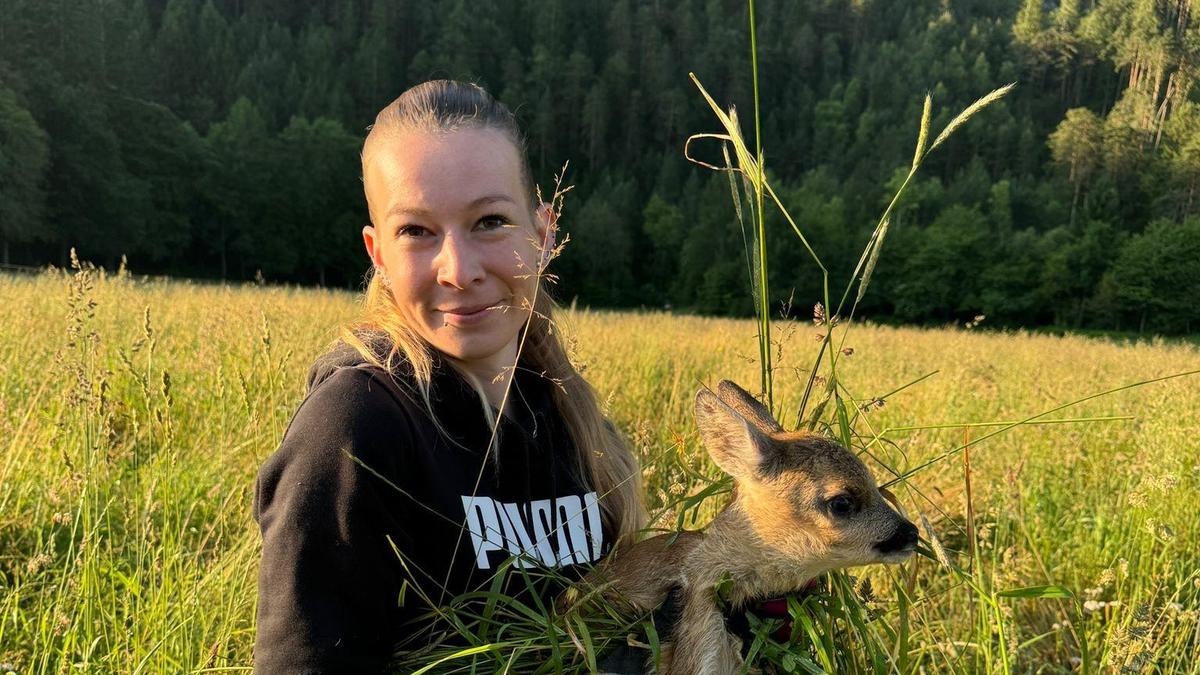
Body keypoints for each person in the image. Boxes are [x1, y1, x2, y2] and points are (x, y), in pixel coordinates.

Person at [252, 80, 647, 673]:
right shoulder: (356, 431)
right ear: (378, 252)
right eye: (416, 231)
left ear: (541, 236)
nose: (458, 270)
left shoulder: (568, 415)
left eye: (489, 221)